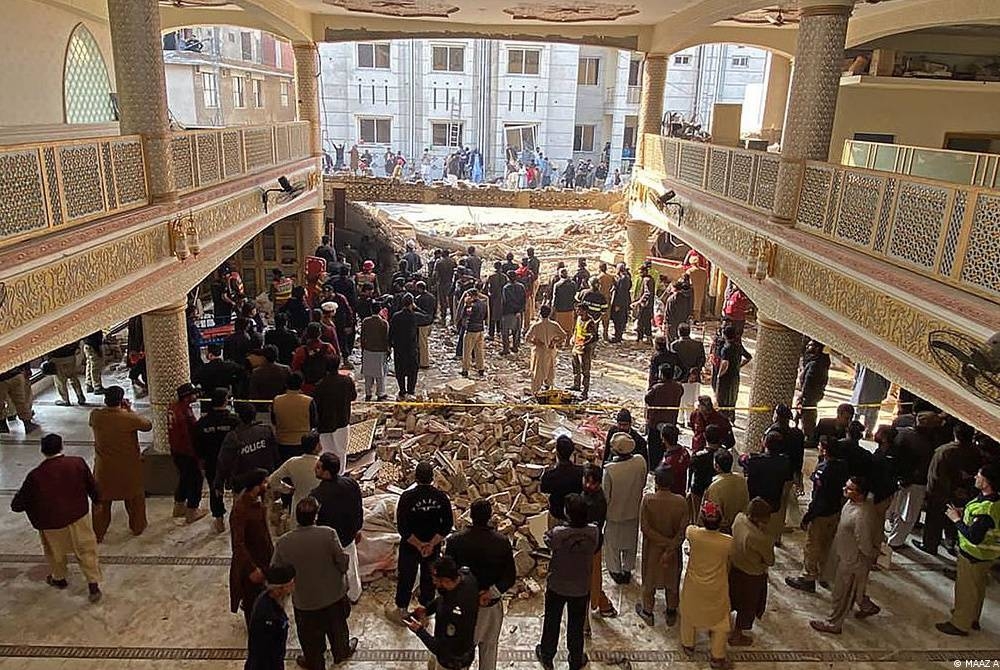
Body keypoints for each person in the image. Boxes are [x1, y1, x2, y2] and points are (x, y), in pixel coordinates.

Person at [11, 433, 103, 602]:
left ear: (42, 451)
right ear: (62, 447)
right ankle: (93, 585)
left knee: (55, 553)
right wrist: (97, 501)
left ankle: (59, 578)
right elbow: (92, 486)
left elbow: (17, 505)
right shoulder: (77, 463)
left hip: (51, 522)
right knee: (86, 549)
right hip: (78, 516)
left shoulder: (36, 475)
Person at [271, 497, 358, 668]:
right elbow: (341, 561)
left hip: (305, 600)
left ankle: (313, 660)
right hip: (333, 594)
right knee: (338, 629)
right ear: (315, 516)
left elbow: (275, 570)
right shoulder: (328, 534)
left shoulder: (283, 542)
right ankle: (341, 652)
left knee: (310, 637)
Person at [444, 499, 517, 670]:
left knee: (461, 652)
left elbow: (448, 574)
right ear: (490, 516)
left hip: (462, 607)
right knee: (489, 651)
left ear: (470, 515)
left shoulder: (455, 541)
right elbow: (510, 577)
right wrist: (490, 593)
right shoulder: (501, 542)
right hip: (490, 608)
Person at [809, 476, 882, 633]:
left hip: (853, 561)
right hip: (844, 552)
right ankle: (866, 605)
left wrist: (870, 556)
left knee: (842, 593)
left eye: (849, 489)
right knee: (855, 590)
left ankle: (833, 624)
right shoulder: (853, 502)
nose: (844, 489)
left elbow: (865, 543)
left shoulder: (861, 515)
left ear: (860, 494)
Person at [935, 462, 1000, 636]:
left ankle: (960, 623)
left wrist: (956, 519)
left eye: (979, 475)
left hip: (974, 554)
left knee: (966, 590)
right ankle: (972, 618)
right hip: (986, 555)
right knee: (977, 589)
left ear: (986, 481)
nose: (975, 478)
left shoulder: (987, 508)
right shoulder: (993, 500)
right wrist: (963, 512)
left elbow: (974, 536)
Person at [535, 494, 597, 670]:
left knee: (552, 621)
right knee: (576, 625)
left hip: (557, 585)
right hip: (581, 586)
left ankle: (547, 655)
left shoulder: (559, 533)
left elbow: (547, 540)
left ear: (567, 514)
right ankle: (576, 659)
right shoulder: (593, 532)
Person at [392, 462, 454, 623]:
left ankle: (403, 610)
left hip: (410, 546)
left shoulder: (406, 498)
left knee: (406, 577)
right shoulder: (441, 497)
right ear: (432, 478)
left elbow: (402, 527)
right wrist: (431, 544)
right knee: (430, 576)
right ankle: (427, 607)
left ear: (416, 477)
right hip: (432, 546)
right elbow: (447, 525)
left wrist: (419, 545)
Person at [88, 385, 152, 542]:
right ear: (121, 399)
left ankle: (98, 532)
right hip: (128, 468)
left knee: (101, 502)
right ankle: (138, 527)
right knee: (134, 498)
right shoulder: (129, 418)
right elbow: (147, 425)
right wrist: (129, 410)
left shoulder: (96, 416)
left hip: (104, 468)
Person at [786, 438, 850, 593]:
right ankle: (824, 575)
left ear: (826, 450)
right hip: (835, 511)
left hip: (821, 512)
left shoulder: (824, 469)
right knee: (827, 545)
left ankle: (808, 577)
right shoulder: (842, 466)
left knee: (813, 546)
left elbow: (819, 496)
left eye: (821, 446)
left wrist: (809, 515)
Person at [679, 500, 733, 669]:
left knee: (689, 614)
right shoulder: (728, 542)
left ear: (702, 519)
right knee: (721, 621)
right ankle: (717, 656)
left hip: (695, 585)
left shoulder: (693, 533)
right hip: (716, 587)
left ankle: (688, 644)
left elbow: (689, 527)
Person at [916, 422, 982, 557]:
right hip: (963, 493)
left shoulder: (944, 451)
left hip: (941, 493)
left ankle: (930, 545)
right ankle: (951, 543)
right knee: (955, 520)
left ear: (955, 434)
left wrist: (930, 493)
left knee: (934, 521)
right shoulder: (976, 452)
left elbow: (935, 476)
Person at [635, 466, 688, 627]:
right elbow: (682, 531)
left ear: (656, 482)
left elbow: (645, 528)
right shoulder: (681, 502)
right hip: (672, 551)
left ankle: (648, 611)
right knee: (672, 581)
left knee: (649, 580)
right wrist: (671, 546)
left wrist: (662, 543)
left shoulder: (648, 500)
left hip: (653, 549)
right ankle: (671, 611)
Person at [406, 556, 480, 670]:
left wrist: (419, 630)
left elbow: (441, 649)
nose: (433, 582)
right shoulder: (466, 577)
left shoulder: (453, 612)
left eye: (436, 579)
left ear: (445, 580)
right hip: (464, 650)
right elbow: (443, 597)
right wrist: (428, 610)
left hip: (452, 661)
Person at [310, 452, 364, 604]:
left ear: (326, 472)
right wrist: (358, 528)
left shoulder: (317, 496)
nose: (315, 468)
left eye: (319, 467)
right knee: (351, 568)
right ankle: (354, 595)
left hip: (329, 542)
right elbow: (358, 508)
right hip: (348, 536)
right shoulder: (351, 484)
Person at [885, 411, 938, 548]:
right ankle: (895, 542)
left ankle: (887, 533)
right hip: (914, 483)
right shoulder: (926, 444)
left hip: (895, 478)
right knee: (907, 516)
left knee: (893, 509)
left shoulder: (900, 433)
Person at [229, 468, 274, 629]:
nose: (267, 485)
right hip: (251, 565)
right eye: (264, 482)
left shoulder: (257, 503)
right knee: (252, 601)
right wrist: (251, 569)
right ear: (256, 486)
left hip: (263, 559)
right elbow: (238, 543)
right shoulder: (241, 510)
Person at [728, 498, 775, 646]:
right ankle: (736, 636)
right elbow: (770, 560)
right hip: (751, 575)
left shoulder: (739, 519)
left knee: (730, 599)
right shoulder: (759, 538)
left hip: (734, 567)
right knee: (747, 606)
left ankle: (717, 627)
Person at [602, 432, 647, 584]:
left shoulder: (610, 470)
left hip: (614, 513)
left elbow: (605, 495)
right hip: (634, 510)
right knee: (630, 542)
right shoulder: (640, 461)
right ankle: (627, 569)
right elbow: (643, 482)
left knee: (613, 545)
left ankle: (616, 571)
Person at [195, 387, 241, 533]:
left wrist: (202, 461)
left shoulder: (202, 423)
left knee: (216, 489)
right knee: (237, 489)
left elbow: (198, 445)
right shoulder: (234, 421)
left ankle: (219, 520)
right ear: (226, 401)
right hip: (233, 462)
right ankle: (237, 517)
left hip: (212, 462)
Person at [215, 403, 280, 496]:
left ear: (238, 416)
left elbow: (224, 461)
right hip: (265, 479)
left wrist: (219, 484)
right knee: (265, 508)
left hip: (242, 484)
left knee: (243, 509)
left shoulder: (233, 436)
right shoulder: (266, 431)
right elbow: (276, 456)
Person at [580, 465, 617, 623]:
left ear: (599, 483)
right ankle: (602, 604)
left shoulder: (596, 502)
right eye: (586, 481)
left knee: (592, 580)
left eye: (592, 483)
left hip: (590, 546)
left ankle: (599, 605)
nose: (588, 485)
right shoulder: (591, 495)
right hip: (588, 544)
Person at [740, 433, 793, 543]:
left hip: (754, 504)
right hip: (774, 504)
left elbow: (741, 460)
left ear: (764, 443)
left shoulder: (753, 460)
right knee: (768, 537)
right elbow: (787, 484)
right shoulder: (785, 462)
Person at [168, 382, 209, 525]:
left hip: (176, 450)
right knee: (196, 480)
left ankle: (179, 506)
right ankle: (192, 510)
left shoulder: (173, 407)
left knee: (184, 478)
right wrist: (197, 456)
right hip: (187, 452)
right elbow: (188, 436)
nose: (196, 396)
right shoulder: (184, 412)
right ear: (186, 397)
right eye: (193, 394)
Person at [245, 564, 296, 670]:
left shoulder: (272, 601)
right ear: (279, 589)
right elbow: (264, 651)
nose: (293, 587)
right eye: (290, 584)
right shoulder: (268, 615)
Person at [270, 432, 322, 527]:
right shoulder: (322, 464)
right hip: (319, 509)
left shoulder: (293, 462)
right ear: (317, 447)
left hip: (298, 507)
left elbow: (272, 480)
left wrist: (287, 489)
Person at [312, 356, 356, 464]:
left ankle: (328, 474)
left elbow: (316, 405)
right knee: (341, 452)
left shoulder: (320, 385)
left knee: (326, 452)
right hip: (342, 420)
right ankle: (340, 474)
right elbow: (353, 397)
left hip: (324, 423)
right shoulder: (347, 381)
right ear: (339, 365)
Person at [270, 372, 317, 463]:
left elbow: (274, 421)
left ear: (286, 384)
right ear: (302, 384)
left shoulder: (277, 400)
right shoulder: (308, 401)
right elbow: (313, 422)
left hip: (282, 441)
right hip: (303, 442)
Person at [645, 363, 684, 470]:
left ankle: (653, 467)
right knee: (667, 447)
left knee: (654, 447)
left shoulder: (657, 388)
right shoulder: (678, 387)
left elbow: (647, 399)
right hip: (671, 421)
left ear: (661, 375)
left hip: (656, 422)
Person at [541, 436, 585, 528]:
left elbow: (543, 489)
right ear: (572, 452)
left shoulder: (550, 475)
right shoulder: (581, 472)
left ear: (557, 453)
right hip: (577, 517)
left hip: (557, 515)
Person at [705, 450, 749, 535]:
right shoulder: (742, 480)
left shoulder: (714, 487)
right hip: (741, 527)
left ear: (716, 466)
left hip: (723, 531)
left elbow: (711, 513)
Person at [765, 404, 806, 495]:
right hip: (791, 474)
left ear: (777, 416)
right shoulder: (798, 434)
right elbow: (800, 457)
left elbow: (765, 454)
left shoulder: (772, 433)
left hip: (775, 474)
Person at [524, 305, 566, 393]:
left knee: (537, 373)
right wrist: (554, 341)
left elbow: (527, 338)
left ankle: (536, 391)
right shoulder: (554, 325)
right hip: (550, 351)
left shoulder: (536, 325)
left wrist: (536, 342)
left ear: (540, 313)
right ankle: (548, 389)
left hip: (539, 352)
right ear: (549, 314)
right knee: (550, 370)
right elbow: (564, 335)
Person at [671, 323, 705, 425]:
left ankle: (680, 420)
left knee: (680, 400)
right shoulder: (698, 344)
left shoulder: (674, 345)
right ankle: (690, 420)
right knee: (691, 400)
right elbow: (702, 360)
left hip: (679, 378)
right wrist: (694, 371)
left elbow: (674, 362)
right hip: (694, 378)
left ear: (678, 332)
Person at [715, 325, 752, 421]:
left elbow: (725, 364)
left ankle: (722, 418)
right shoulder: (738, 346)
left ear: (725, 335)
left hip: (726, 377)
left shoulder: (726, 348)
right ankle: (732, 417)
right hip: (735, 376)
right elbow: (748, 357)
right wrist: (738, 366)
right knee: (733, 397)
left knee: (722, 398)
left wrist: (719, 375)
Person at [798, 340, 831, 438]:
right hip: (814, 395)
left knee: (807, 418)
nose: (808, 347)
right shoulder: (821, 362)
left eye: (810, 346)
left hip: (809, 397)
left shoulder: (815, 365)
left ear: (817, 348)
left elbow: (808, 382)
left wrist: (802, 398)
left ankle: (809, 436)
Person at [0, 365, 40, 433]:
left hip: (1, 379)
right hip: (15, 374)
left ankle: (2, 425)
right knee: (21, 402)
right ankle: (27, 423)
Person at [570, 304, 598, 400]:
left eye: (579, 310)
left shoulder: (590, 322)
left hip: (585, 349)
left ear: (585, 311)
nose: (578, 312)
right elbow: (577, 329)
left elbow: (594, 337)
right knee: (575, 367)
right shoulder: (579, 318)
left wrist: (585, 344)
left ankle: (585, 391)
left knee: (585, 371)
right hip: (576, 346)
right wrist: (573, 338)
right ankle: (576, 385)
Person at [459, 288, 487, 378]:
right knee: (479, 350)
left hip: (471, 329)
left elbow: (464, 315)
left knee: (467, 350)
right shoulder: (483, 304)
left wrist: (466, 305)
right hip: (480, 329)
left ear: (472, 296)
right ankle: (481, 369)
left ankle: (465, 370)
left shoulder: (472, 306)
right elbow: (485, 316)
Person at [500, 271, 526, 355]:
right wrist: (519, 310)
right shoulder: (521, 286)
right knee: (517, 330)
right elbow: (523, 300)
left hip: (508, 312)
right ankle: (515, 346)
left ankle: (506, 349)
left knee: (505, 332)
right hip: (518, 312)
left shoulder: (506, 288)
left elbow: (506, 301)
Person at [660, 424, 691, 494]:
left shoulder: (668, 462)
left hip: (670, 496)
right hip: (681, 492)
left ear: (663, 438)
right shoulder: (685, 452)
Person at [413, 281, 437, 369]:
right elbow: (434, 310)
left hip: (422, 322)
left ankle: (424, 362)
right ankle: (423, 360)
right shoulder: (432, 297)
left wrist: (416, 308)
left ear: (419, 288)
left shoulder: (420, 299)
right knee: (424, 342)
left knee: (422, 343)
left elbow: (421, 311)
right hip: (429, 321)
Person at [552, 270, 578, 348]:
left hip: (560, 309)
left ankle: (559, 343)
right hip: (570, 309)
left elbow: (555, 298)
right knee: (569, 327)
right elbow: (575, 296)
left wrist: (553, 309)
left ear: (560, 275)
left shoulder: (557, 285)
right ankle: (567, 342)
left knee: (560, 327)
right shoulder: (573, 284)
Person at [608, 263, 631, 343]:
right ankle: (618, 335)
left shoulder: (623, 279)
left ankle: (618, 337)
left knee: (618, 319)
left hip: (620, 303)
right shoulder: (625, 278)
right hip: (624, 302)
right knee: (619, 319)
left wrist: (618, 304)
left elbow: (621, 293)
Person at [485, 262, 506, 341]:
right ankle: (499, 332)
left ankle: (491, 333)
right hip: (502, 298)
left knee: (492, 316)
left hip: (493, 298)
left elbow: (486, 288)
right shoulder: (504, 277)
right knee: (500, 315)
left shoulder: (491, 276)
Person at [82, 331, 105, 396]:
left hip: (87, 345)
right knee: (95, 367)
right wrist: (98, 350)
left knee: (89, 365)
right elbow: (94, 339)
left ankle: (89, 384)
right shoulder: (94, 326)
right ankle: (97, 387)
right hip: (93, 346)